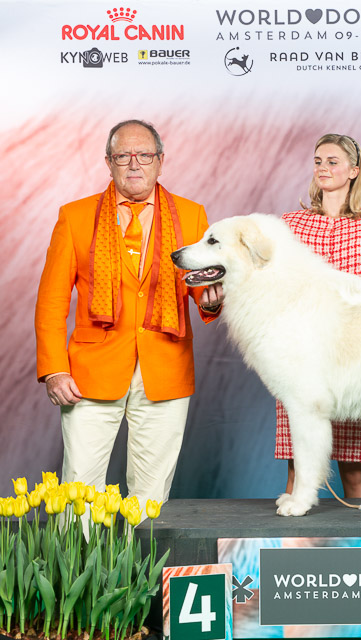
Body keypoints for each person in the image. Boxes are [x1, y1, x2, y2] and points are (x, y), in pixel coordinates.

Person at [35, 119, 223, 516]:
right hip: (89, 374)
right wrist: (54, 370)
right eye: (123, 155)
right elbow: (51, 302)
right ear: (108, 162)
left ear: (160, 161)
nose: (134, 164)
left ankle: (139, 561)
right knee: (79, 493)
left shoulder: (192, 215)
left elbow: (201, 289)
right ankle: (80, 560)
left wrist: (210, 301)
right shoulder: (74, 216)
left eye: (145, 155)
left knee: (151, 498)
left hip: (165, 369)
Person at [277, 133, 361, 499]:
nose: (323, 168)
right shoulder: (290, 224)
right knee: (298, 465)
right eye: (318, 161)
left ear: (353, 170)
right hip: (302, 358)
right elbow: (278, 288)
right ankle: (295, 527)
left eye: (332, 161)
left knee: (355, 470)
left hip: (356, 357)